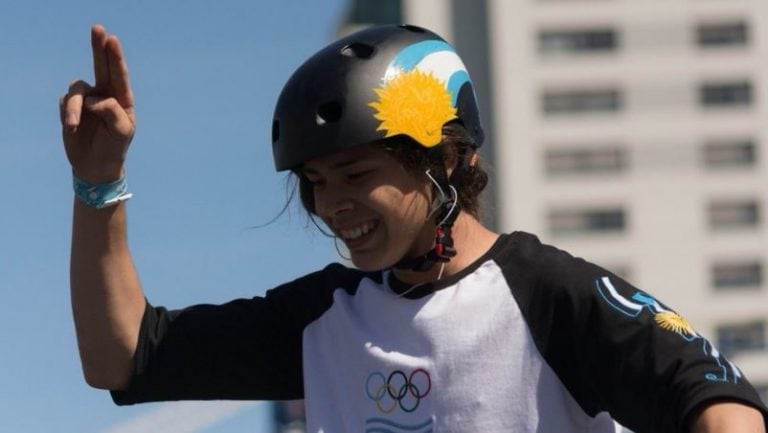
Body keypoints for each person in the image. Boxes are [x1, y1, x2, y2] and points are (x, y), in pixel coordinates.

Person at [60, 23, 767, 433]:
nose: (331, 202)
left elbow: (722, 403)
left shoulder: (549, 294)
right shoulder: (324, 318)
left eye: (356, 173)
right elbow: (121, 355)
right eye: (313, 181)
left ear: (445, 157)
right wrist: (99, 184)